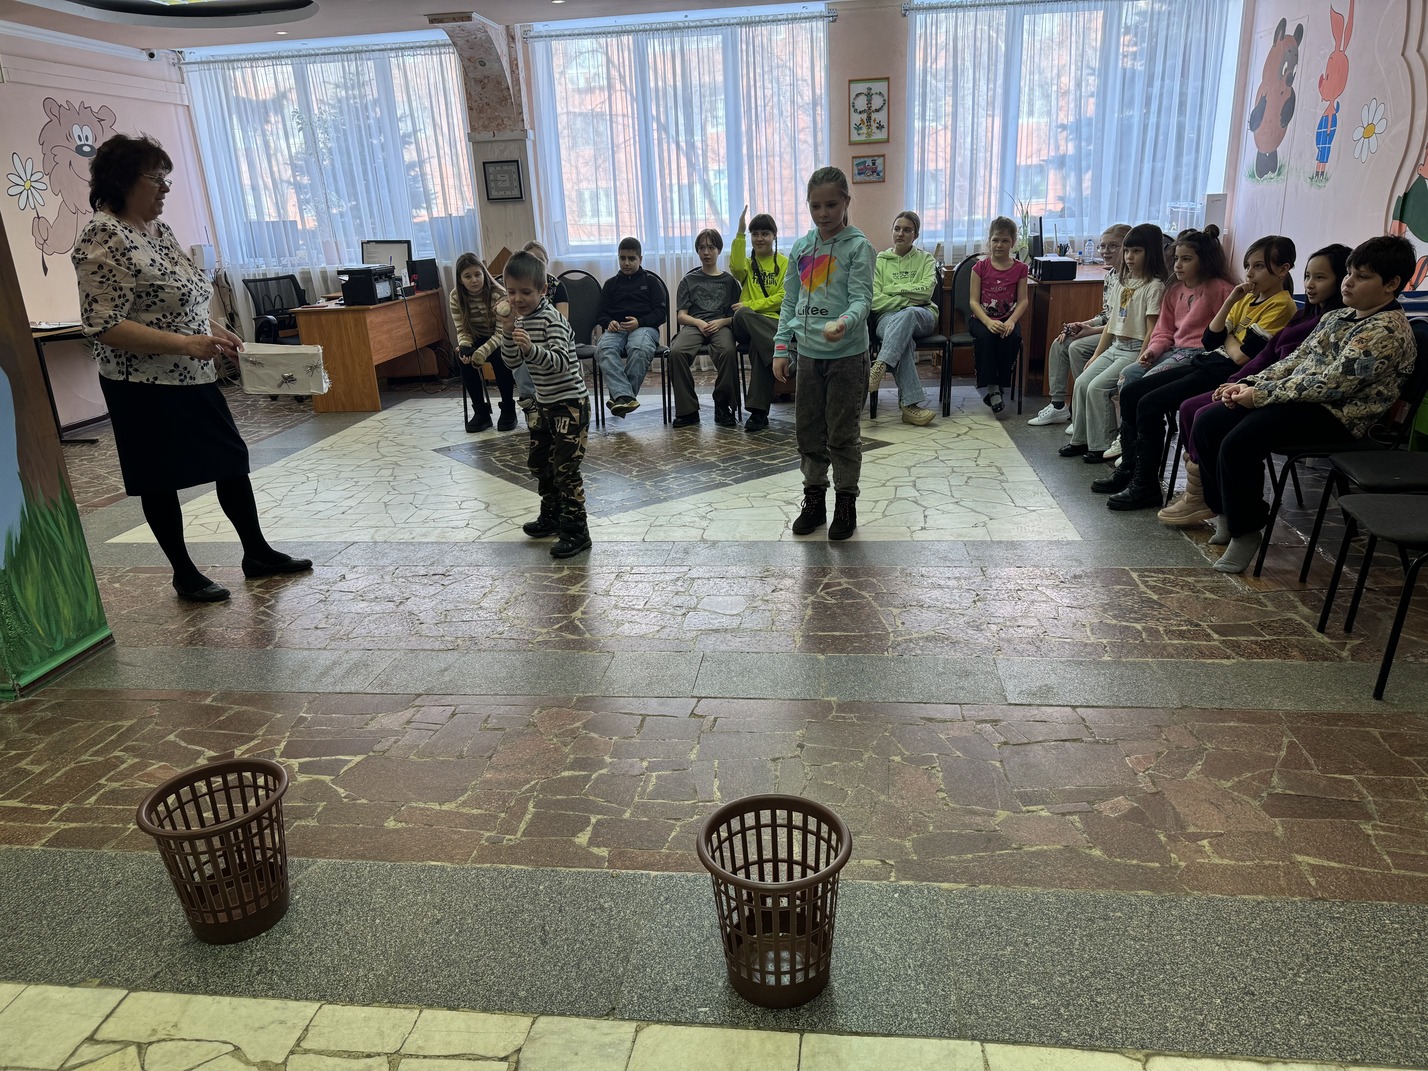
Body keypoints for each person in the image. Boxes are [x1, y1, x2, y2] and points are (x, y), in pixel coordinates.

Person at [72, 133, 309, 603]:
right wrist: (185, 343)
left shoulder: (159, 231)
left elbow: (186, 298)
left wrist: (218, 331)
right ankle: (184, 573)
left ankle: (257, 553)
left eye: (167, 179)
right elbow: (104, 325)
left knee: (230, 460)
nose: (165, 188)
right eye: (155, 178)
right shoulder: (103, 237)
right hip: (141, 383)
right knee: (158, 478)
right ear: (123, 180)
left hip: (192, 373)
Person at [1194, 235, 1418, 573]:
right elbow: (1295, 362)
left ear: (1391, 284)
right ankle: (1226, 512)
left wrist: (1260, 395)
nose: (1348, 282)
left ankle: (1246, 530)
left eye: (1362, 276)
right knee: (1210, 422)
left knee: (1242, 438)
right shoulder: (1338, 317)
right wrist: (1249, 383)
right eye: (1349, 273)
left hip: (1341, 417)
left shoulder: (1387, 330)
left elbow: (1331, 385)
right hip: (1304, 401)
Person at [1095, 235, 1297, 510]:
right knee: (1131, 392)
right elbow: (1211, 339)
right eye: (1248, 266)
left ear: (1283, 269)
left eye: (1259, 266)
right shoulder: (1244, 298)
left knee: (1149, 403)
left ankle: (1145, 485)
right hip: (1209, 361)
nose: (1250, 274)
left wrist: (1227, 336)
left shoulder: (1281, 304)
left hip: (1227, 372)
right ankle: (1130, 470)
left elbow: (1241, 356)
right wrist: (1231, 305)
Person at [1159, 243, 1350, 527]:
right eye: (1308, 276)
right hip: (1240, 375)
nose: (1309, 284)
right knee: (1184, 406)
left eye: (1320, 278)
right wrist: (1238, 382)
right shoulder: (1299, 315)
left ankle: (1217, 504)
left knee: (1206, 417)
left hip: (1280, 393)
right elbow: (1217, 341)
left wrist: (1248, 385)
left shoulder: (1299, 312)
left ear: (1283, 270)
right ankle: (1206, 495)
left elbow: (1247, 356)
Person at [774, 166, 875, 541]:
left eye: (831, 204)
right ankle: (814, 499)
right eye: (815, 206)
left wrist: (844, 323)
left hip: (847, 357)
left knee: (842, 435)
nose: (823, 213)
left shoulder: (858, 247)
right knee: (808, 433)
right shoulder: (801, 248)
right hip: (809, 356)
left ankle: (846, 502)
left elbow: (862, 299)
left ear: (846, 201)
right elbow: (790, 301)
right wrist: (782, 346)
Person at [497, 251, 591, 559]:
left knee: (565, 469)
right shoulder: (519, 320)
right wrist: (508, 333)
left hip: (570, 405)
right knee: (539, 463)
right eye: (512, 292)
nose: (518, 299)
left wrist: (532, 350)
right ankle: (551, 514)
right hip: (544, 404)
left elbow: (561, 362)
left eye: (526, 292)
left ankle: (577, 530)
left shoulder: (553, 320)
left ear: (542, 290)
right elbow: (512, 362)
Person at [1059, 223, 1168, 466]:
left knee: (1097, 388)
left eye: (1136, 251)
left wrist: (1140, 362)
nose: (1129, 257)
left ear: (1150, 252)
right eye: (1127, 251)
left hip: (1134, 350)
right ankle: (1081, 439)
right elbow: (1110, 324)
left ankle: (1102, 445)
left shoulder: (1155, 287)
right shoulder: (1121, 281)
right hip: (1115, 347)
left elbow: (1152, 329)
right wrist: (1096, 355)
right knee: (1082, 382)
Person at [1027, 223, 1129, 427]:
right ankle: (1058, 406)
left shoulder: (1130, 281)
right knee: (1061, 342)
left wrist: (1091, 330)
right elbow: (1107, 314)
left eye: (1113, 246)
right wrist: (1083, 324)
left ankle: (1082, 410)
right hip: (1106, 329)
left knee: (1077, 347)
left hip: (1122, 337)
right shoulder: (1111, 275)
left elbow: (1122, 323)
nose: (1106, 251)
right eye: (1102, 246)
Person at [1116, 226, 1235, 391]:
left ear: (1205, 260)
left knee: (1149, 381)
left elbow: (1230, 328)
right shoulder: (1173, 291)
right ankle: (1129, 410)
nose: (1178, 265)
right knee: (1128, 374)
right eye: (1176, 258)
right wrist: (1152, 351)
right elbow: (1163, 331)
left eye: (1186, 259)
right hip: (1175, 350)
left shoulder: (1221, 290)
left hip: (1201, 354)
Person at [868, 210, 938, 426]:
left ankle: (881, 363)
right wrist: (908, 297)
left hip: (922, 315)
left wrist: (892, 289)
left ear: (915, 235)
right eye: (897, 229)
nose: (901, 233)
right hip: (887, 318)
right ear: (892, 231)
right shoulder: (880, 261)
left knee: (908, 315)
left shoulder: (926, 259)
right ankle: (910, 407)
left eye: (907, 230)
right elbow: (874, 300)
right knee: (902, 338)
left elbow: (926, 292)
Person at [669, 228, 741, 427]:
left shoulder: (730, 281)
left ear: (719, 250)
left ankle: (722, 405)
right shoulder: (688, 280)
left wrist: (722, 322)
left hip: (721, 325)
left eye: (711, 247)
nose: (706, 252)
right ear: (697, 251)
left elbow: (736, 315)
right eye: (702, 248)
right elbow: (681, 316)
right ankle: (688, 410)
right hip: (695, 325)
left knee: (727, 351)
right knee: (676, 352)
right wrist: (699, 323)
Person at [730, 207, 788, 432]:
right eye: (755, 234)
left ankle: (758, 413)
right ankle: (786, 353)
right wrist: (740, 232)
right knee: (742, 313)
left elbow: (783, 297)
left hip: (772, 324)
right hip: (746, 322)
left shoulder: (784, 263)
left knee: (758, 345)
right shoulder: (746, 264)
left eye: (765, 233)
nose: (759, 238)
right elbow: (735, 267)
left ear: (774, 235)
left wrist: (751, 304)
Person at [594, 237, 666, 417]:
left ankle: (621, 397)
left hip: (645, 327)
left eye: (631, 258)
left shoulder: (651, 282)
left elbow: (661, 314)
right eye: (622, 258)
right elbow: (601, 314)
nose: (626, 263)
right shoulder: (610, 284)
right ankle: (625, 398)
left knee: (639, 349)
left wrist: (639, 322)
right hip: (616, 328)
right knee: (603, 349)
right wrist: (608, 322)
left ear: (640, 259)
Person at [969, 216, 1030, 414]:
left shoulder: (1021, 268)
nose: (999, 245)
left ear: (1013, 242)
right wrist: (988, 322)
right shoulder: (980, 267)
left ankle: (1001, 384)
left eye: (1005, 241)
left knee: (1012, 337)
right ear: (989, 241)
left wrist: (1011, 321)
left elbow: (1023, 300)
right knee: (987, 337)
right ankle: (992, 388)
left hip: (1007, 319)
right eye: (995, 240)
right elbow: (973, 302)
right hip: (981, 319)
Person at [449, 253, 504, 433]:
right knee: (463, 358)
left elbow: (501, 333)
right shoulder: (455, 296)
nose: (474, 280)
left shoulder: (498, 294)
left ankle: (508, 408)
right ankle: (481, 412)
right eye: (468, 276)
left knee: (500, 357)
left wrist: (482, 352)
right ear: (460, 279)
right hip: (476, 337)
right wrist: (465, 347)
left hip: (499, 338)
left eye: (477, 274)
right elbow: (462, 329)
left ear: (484, 274)